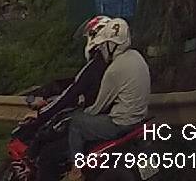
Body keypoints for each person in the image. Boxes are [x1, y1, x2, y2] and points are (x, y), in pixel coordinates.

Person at [25, 16, 113, 181]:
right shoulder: (113, 64)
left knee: (48, 155)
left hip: (98, 123)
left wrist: (42, 114)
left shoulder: (95, 66)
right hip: (112, 119)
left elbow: (70, 94)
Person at [62, 17, 150, 181]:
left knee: (76, 122)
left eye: (104, 45)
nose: (102, 48)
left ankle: (76, 170)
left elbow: (98, 107)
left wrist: (83, 111)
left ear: (112, 44)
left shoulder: (114, 70)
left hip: (120, 123)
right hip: (140, 118)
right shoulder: (137, 57)